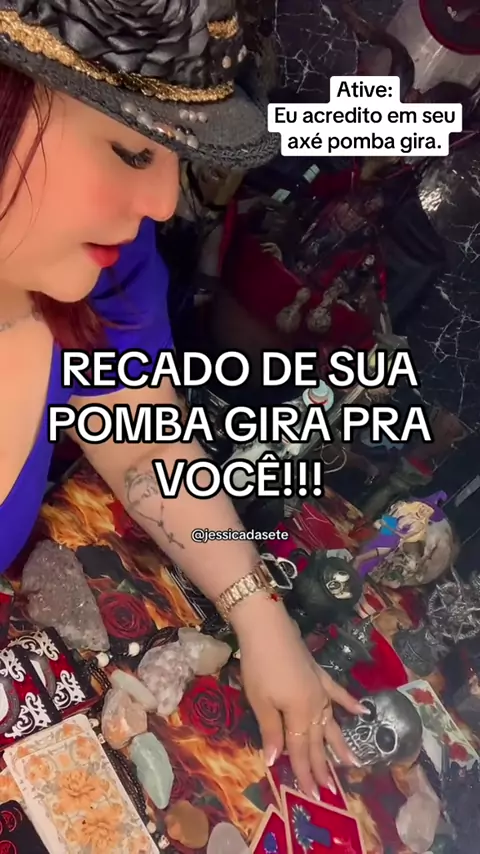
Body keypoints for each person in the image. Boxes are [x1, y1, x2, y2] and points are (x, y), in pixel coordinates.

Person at [0, 0, 365, 802]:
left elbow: (143, 439)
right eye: (133, 150)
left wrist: (260, 618)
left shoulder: (98, 270)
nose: (166, 202)